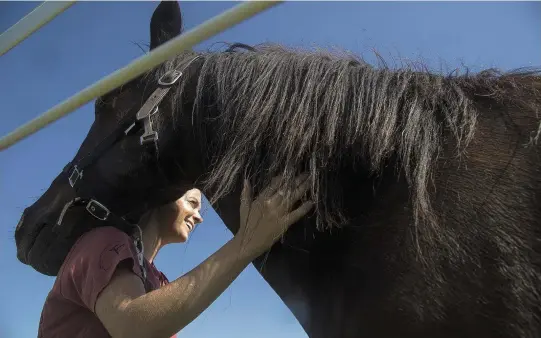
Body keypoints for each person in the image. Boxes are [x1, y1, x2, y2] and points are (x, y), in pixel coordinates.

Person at [37, 174, 313, 338]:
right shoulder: (103, 240)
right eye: (192, 203)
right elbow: (132, 323)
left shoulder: (160, 282)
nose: (199, 217)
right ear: (165, 196)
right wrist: (246, 244)